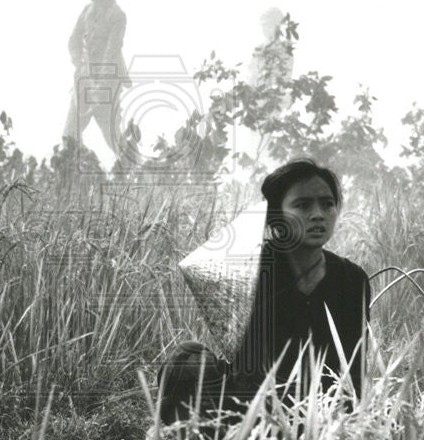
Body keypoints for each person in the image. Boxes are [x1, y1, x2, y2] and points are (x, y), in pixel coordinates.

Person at [159, 159, 371, 426]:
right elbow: (243, 360)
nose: (318, 214)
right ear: (276, 215)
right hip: (252, 402)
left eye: (327, 203)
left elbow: (353, 366)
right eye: (302, 205)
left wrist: (353, 423)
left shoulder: (351, 279)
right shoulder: (247, 268)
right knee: (186, 360)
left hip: (321, 409)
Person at [62, 0, 129, 155]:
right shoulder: (87, 11)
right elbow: (73, 41)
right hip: (83, 82)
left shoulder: (117, 15)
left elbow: (112, 51)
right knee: (69, 135)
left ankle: (138, 174)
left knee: (112, 136)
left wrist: (99, 84)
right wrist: (80, 64)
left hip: (106, 83)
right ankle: (69, 178)